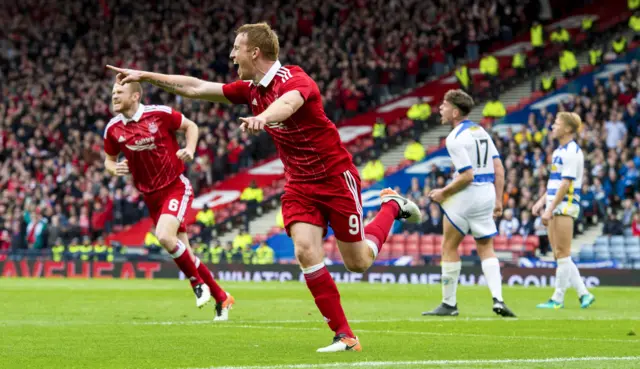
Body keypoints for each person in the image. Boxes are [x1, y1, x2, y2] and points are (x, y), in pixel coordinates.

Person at [107, 22, 421, 353]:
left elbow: (288, 105)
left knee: (358, 262)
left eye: (236, 48)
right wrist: (144, 75)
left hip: (334, 177)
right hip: (300, 183)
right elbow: (196, 88)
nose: (231, 55)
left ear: (254, 52)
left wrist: (264, 117)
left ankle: (391, 206)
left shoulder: (295, 79)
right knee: (304, 249)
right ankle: (345, 335)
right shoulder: (249, 89)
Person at [102, 80, 234, 320]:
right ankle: (222, 297)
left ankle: (197, 284)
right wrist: (112, 169)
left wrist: (191, 149)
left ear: (135, 97)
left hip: (175, 186)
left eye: (119, 92)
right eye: (112, 92)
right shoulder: (113, 129)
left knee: (164, 236)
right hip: (150, 196)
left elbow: (191, 126)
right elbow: (109, 159)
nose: (114, 96)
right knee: (187, 255)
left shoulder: (159, 114)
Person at [422, 89, 516, 318]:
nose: (440, 108)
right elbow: (499, 169)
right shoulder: (481, 131)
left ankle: (449, 304)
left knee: (449, 247)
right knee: (486, 247)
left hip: (468, 194)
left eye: (444, 105)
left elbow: (467, 176)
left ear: (455, 111)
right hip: (486, 194)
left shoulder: (454, 138)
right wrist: (497, 201)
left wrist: (443, 192)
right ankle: (498, 299)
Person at [532, 112, 595, 309]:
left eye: (557, 123)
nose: (552, 126)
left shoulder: (571, 152)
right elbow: (555, 181)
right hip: (555, 204)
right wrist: (541, 201)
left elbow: (566, 184)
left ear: (568, 129)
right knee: (560, 254)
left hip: (565, 206)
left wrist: (549, 209)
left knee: (562, 253)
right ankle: (584, 293)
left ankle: (557, 298)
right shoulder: (560, 150)